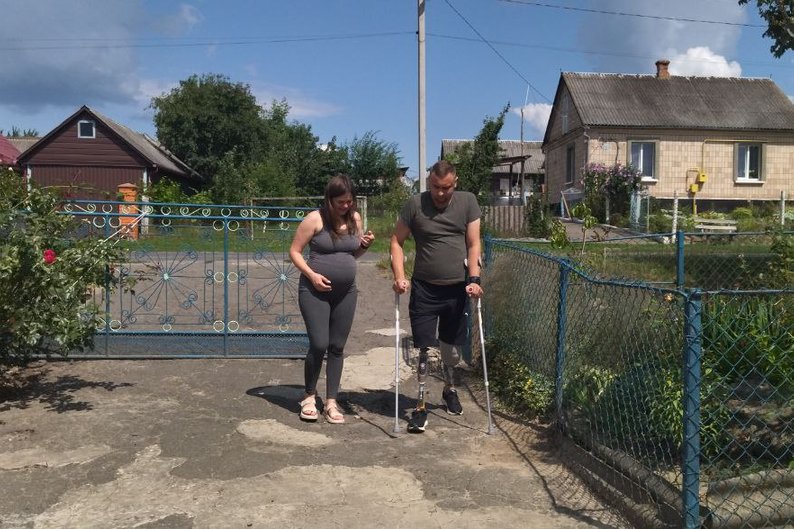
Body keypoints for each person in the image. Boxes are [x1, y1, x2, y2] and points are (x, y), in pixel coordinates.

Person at [390, 160, 483, 433]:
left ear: (455, 183)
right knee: (423, 347)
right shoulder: (415, 204)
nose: (440, 194)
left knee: (451, 351)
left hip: (457, 289)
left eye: (446, 188)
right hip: (424, 288)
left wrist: (474, 279)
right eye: (435, 187)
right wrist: (399, 275)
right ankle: (419, 406)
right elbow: (397, 241)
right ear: (429, 182)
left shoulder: (468, 202)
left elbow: (474, 242)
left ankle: (449, 388)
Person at [289, 175, 375, 424]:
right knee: (319, 343)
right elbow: (294, 252)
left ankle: (331, 402)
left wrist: (365, 245)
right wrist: (312, 276)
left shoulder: (355, 219)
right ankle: (308, 396)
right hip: (314, 290)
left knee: (337, 346)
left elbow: (353, 254)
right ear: (329, 199)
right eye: (341, 202)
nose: (346, 206)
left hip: (346, 292)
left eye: (350, 202)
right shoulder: (315, 219)